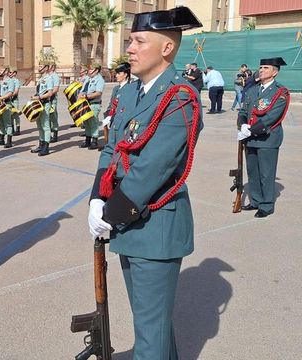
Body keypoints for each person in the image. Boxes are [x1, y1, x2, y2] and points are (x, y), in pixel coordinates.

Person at [88, 7, 203, 359]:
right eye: (130, 41)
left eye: (138, 41)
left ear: (165, 48)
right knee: (150, 324)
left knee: (150, 336)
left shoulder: (180, 96)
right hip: (127, 222)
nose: (130, 48)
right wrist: (97, 197)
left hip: (155, 224)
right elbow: (112, 148)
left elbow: (153, 167)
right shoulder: (128, 93)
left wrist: (111, 212)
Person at [237, 57, 289, 218]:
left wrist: (251, 130)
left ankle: (266, 205)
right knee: (253, 171)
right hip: (250, 138)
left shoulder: (280, 92)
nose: (261, 70)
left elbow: (272, 117)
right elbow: (243, 111)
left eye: (266, 68)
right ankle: (256, 201)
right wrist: (242, 124)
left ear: (275, 72)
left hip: (267, 138)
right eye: (260, 67)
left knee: (266, 173)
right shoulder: (253, 90)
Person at [78, 63, 105, 149]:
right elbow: (83, 90)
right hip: (85, 103)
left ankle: (94, 141)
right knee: (86, 122)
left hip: (94, 103)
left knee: (93, 122)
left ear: (96, 70)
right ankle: (88, 140)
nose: (89, 71)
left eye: (91, 69)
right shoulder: (88, 79)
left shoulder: (99, 79)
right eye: (89, 69)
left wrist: (86, 96)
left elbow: (98, 93)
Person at [30, 62, 53, 156]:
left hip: (45, 103)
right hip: (39, 104)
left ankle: (46, 148)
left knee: (45, 126)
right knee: (39, 126)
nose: (39, 68)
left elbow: (50, 93)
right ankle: (41, 145)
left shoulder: (49, 79)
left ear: (46, 68)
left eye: (41, 66)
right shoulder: (41, 79)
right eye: (38, 66)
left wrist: (39, 97)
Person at [101, 62, 132, 130]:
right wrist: (108, 116)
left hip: (122, 122)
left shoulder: (130, 88)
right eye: (116, 73)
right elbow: (111, 104)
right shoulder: (116, 88)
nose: (116, 76)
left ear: (125, 75)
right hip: (113, 120)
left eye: (119, 73)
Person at [0, 66, 15, 148]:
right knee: (0, 122)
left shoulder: (10, 81)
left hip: (6, 104)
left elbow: (10, 93)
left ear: (6, 71)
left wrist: (1, 98)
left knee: (8, 123)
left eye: (1, 70)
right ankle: (1, 139)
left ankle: (9, 141)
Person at [47, 63, 61, 142]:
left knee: (53, 116)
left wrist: (48, 94)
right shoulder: (47, 76)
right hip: (46, 99)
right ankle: (48, 135)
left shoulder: (55, 76)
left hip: (52, 98)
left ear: (52, 67)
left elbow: (56, 89)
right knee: (47, 117)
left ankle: (55, 135)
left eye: (48, 66)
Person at [8, 67, 22, 135]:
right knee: (10, 115)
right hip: (8, 100)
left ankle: (18, 129)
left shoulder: (16, 81)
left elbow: (16, 91)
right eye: (9, 72)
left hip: (14, 100)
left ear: (14, 73)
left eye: (10, 72)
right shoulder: (8, 80)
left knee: (16, 115)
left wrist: (10, 96)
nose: (9, 74)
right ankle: (12, 129)